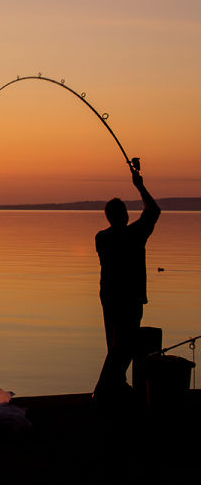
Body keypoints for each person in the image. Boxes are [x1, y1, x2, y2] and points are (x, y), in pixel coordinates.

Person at [93, 168, 160, 404]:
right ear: (124, 215)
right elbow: (154, 211)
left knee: (116, 345)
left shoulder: (102, 237)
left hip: (109, 297)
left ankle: (116, 387)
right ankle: (103, 390)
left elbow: (152, 213)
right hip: (129, 298)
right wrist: (139, 186)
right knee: (124, 345)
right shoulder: (135, 234)